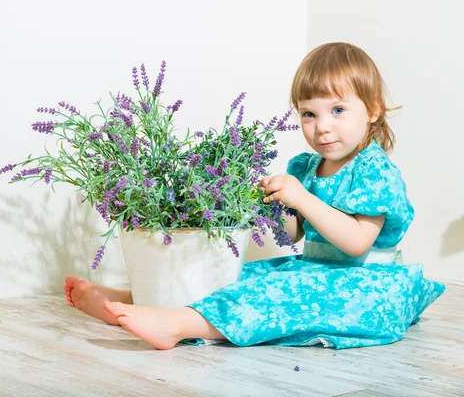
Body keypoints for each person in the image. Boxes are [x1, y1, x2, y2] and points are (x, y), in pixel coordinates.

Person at [64, 42, 445, 350]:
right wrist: (273, 205)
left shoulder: (373, 169)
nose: (322, 127)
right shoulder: (306, 167)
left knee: (278, 296)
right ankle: (138, 298)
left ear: (373, 109)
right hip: (315, 269)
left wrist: (303, 199)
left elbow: (357, 242)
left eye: (338, 110)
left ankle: (178, 324)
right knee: (238, 277)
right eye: (309, 114)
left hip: (368, 286)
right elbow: (294, 234)